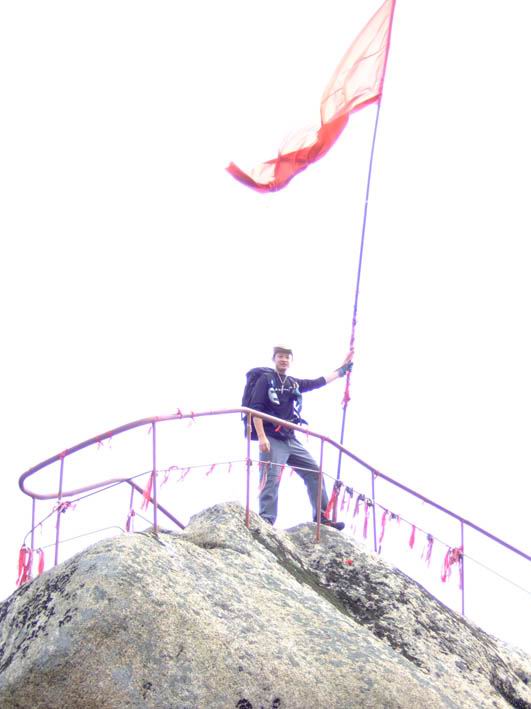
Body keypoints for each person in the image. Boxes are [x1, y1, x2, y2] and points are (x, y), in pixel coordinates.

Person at [249, 345, 353, 528]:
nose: (283, 360)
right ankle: (266, 519)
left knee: (315, 472)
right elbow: (255, 409)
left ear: (291, 361)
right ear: (274, 359)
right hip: (272, 437)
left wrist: (341, 370)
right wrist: (262, 437)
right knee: (271, 476)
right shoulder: (266, 379)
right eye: (280, 356)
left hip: (290, 438)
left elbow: (317, 382)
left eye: (287, 357)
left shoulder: (292, 383)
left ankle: (322, 518)